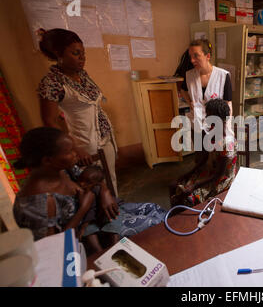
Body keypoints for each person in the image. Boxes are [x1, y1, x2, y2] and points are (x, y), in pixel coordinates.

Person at [13, 127, 167, 254]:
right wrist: (84, 208)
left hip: (101, 216)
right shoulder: (36, 204)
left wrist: (105, 191)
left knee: (155, 209)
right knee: (158, 223)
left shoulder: (62, 171)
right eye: (69, 151)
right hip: (88, 240)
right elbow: (54, 249)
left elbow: (94, 180)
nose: (76, 154)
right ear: (47, 160)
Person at [36, 28, 118, 196]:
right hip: (85, 146)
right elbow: (49, 122)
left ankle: (117, 212)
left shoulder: (82, 75)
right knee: (95, 189)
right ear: (59, 54)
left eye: (83, 53)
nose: (82, 58)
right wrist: (75, 148)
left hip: (106, 140)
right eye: (75, 53)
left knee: (111, 183)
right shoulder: (52, 83)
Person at [169, 99, 237, 207]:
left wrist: (194, 186)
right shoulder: (211, 134)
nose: (206, 118)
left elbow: (219, 175)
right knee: (173, 185)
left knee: (187, 198)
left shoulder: (227, 143)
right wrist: (187, 174)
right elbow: (204, 160)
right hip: (209, 171)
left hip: (221, 180)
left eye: (209, 116)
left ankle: (181, 219)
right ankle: (175, 216)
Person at [180, 39, 233, 147]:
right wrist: (189, 102)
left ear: (207, 56)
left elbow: (228, 103)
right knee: (200, 154)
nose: (192, 60)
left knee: (218, 154)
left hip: (217, 124)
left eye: (196, 56)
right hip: (197, 122)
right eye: (190, 56)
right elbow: (183, 89)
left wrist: (227, 127)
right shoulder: (189, 75)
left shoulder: (223, 76)